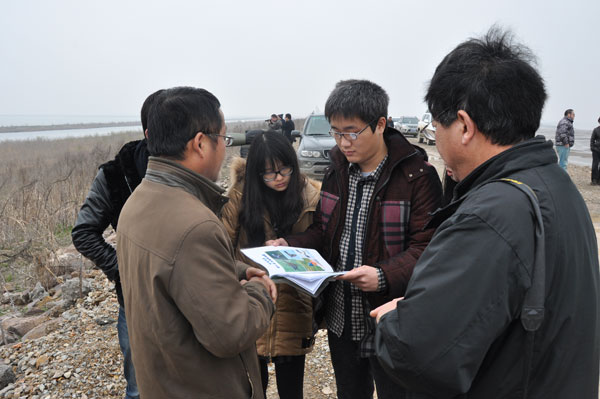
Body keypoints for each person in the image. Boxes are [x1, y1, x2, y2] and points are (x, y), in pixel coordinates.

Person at [371, 28, 600, 398]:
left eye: (437, 122)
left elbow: (420, 354)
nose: (437, 138)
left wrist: (393, 320)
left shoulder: (490, 215)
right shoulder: (555, 184)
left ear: (464, 125)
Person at [267, 79, 443, 399]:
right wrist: (288, 244)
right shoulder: (337, 170)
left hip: (392, 316)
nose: (343, 142)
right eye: (336, 132)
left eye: (351, 132)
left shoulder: (416, 176)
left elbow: (428, 249)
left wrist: (381, 275)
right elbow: (323, 230)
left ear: (379, 124)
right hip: (342, 315)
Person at [116, 86, 276, 399]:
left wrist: (238, 270)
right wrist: (262, 291)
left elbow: (174, 267)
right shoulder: (195, 224)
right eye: (224, 139)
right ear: (201, 143)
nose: (225, 149)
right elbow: (230, 332)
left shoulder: (139, 200)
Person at [71, 88, 163, 399]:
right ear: (150, 132)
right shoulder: (114, 175)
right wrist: (121, 269)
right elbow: (83, 232)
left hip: (185, 297)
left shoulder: (191, 168)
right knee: (139, 388)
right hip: (136, 301)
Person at [221, 131, 321, 399]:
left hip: (294, 305)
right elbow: (220, 251)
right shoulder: (239, 199)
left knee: (292, 391)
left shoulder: (311, 196)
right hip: (250, 302)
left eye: (284, 169)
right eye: (268, 173)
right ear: (255, 173)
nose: (278, 178)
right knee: (254, 389)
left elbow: (323, 244)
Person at [590, 117, 600, 184]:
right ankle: (594, 180)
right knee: (595, 165)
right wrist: (592, 148)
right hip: (596, 150)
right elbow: (592, 139)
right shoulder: (596, 130)